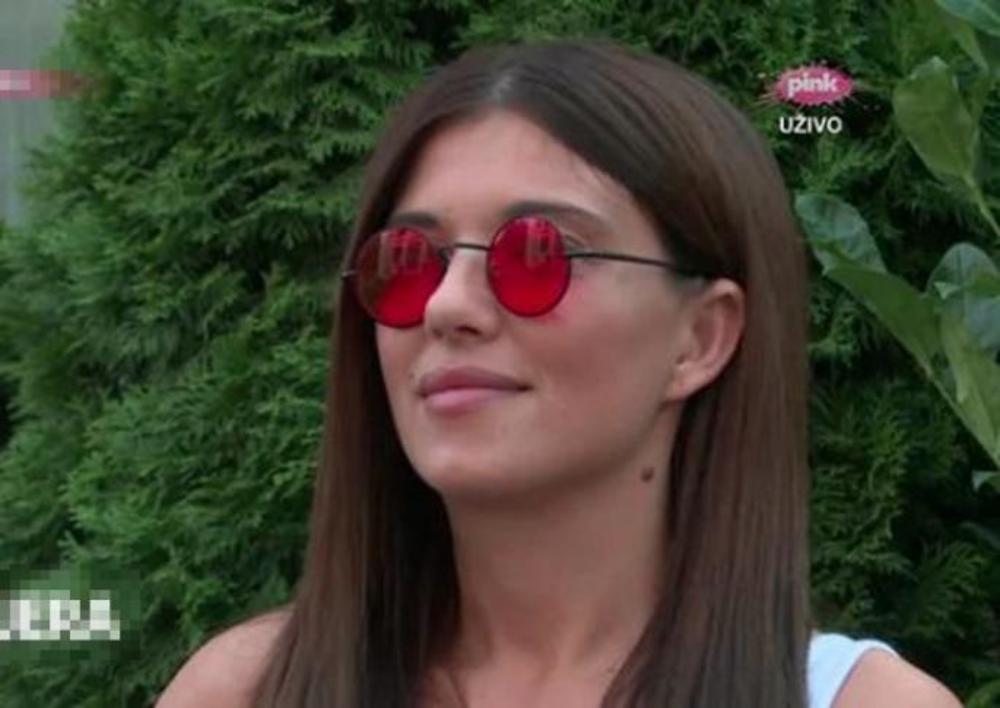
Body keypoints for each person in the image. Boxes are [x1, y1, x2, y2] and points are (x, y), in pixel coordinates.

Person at [157, 39, 963, 708]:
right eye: (408, 262)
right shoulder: (245, 691)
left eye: (538, 254)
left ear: (700, 338)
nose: (446, 304)